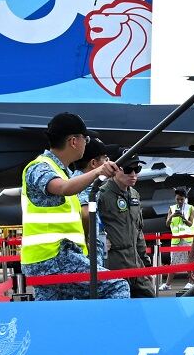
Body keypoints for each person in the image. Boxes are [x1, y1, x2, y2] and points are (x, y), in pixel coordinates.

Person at [21, 112, 128, 300]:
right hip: (54, 257)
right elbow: (63, 188)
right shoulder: (40, 167)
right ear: (73, 141)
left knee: (56, 312)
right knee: (116, 286)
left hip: (48, 258)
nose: (86, 143)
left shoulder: (62, 172)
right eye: (85, 139)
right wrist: (98, 172)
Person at [96, 158, 156, 298]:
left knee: (149, 300)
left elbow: (138, 232)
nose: (133, 174)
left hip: (136, 264)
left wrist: (147, 266)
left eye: (137, 170)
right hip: (113, 266)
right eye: (128, 170)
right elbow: (87, 224)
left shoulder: (134, 195)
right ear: (115, 169)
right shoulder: (101, 195)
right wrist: (99, 239)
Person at [164, 189, 194, 289]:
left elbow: (190, 223)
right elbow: (167, 224)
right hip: (176, 239)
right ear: (175, 198)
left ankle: (191, 282)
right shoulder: (171, 208)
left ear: (185, 198)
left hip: (188, 238)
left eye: (182, 199)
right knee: (173, 262)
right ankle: (168, 284)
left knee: (190, 260)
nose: (180, 201)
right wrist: (172, 215)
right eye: (178, 199)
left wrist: (183, 218)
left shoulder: (190, 208)